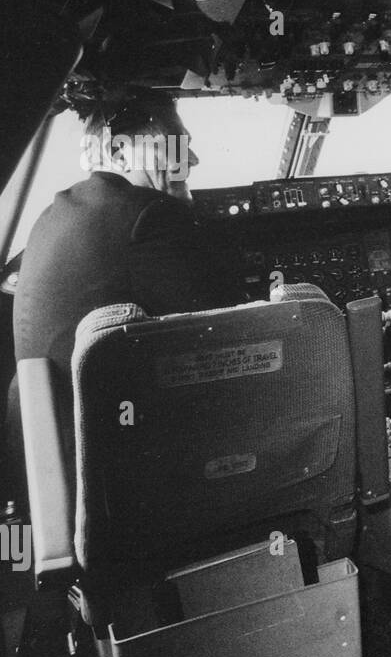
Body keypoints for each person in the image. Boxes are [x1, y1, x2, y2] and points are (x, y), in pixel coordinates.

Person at [13, 88, 245, 422]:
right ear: (120, 152)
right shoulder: (152, 215)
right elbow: (222, 335)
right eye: (177, 144)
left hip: (48, 445)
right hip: (108, 447)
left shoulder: (52, 213)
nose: (192, 159)